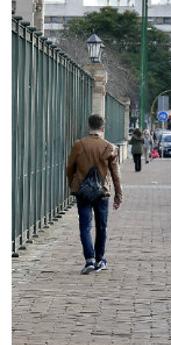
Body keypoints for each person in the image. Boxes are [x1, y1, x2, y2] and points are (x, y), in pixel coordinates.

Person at [66, 114, 123, 274]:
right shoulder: (109, 147)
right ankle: (100, 259)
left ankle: (89, 259)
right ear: (102, 128)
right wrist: (118, 194)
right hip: (101, 192)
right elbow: (115, 174)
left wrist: (73, 184)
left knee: (85, 226)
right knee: (102, 227)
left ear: (88, 127)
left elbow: (70, 167)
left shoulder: (79, 145)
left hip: (83, 191)